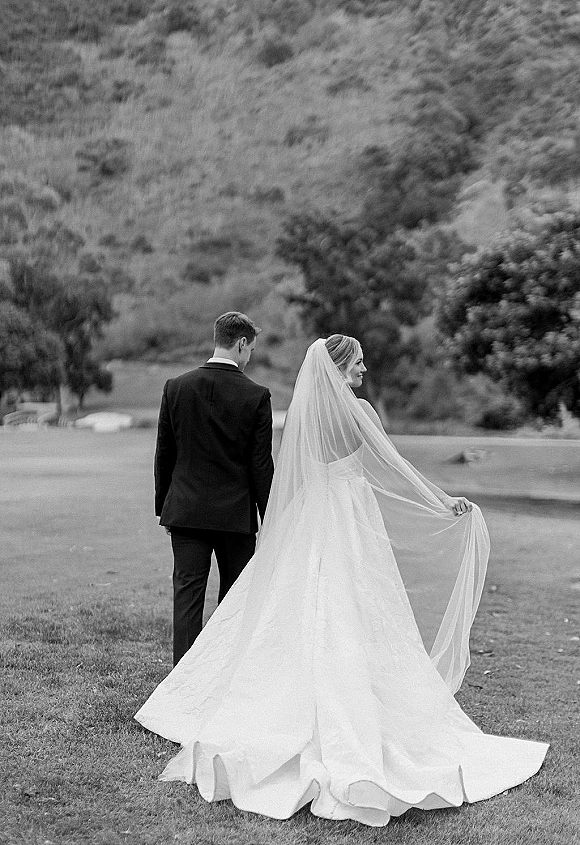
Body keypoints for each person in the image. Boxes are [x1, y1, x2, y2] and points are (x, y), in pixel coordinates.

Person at [137, 335, 548, 827]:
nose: (364, 368)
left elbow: (290, 472)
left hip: (311, 518)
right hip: (350, 517)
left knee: (302, 604)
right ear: (339, 368)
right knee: (354, 605)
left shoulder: (305, 415)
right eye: (357, 362)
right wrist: (442, 501)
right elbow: (396, 469)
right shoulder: (360, 412)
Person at [154, 311, 274, 666]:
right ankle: (223, 677)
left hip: (185, 512)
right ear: (240, 344)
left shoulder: (176, 386)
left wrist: (166, 507)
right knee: (234, 602)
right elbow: (261, 465)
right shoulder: (256, 396)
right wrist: (270, 517)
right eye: (250, 349)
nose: (249, 356)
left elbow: (165, 453)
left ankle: (182, 686)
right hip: (234, 518)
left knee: (186, 599)